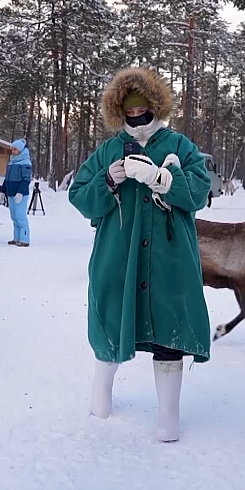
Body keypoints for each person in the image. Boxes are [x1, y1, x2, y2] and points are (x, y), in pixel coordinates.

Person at [68, 66, 212, 442]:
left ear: (154, 105)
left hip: (170, 258)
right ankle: (100, 397)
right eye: (128, 112)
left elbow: (200, 192)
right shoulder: (109, 149)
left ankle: (168, 418)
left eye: (141, 109)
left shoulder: (179, 146)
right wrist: (109, 179)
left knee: (170, 329)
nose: (135, 117)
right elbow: (79, 195)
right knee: (114, 319)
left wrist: (166, 181)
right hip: (117, 256)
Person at [2, 138, 32, 247]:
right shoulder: (11, 162)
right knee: (14, 216)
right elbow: (7, 178)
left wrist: (20, 191)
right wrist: (3, 191)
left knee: (20, 216)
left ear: (20, 150)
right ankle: (16, 237)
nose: (13, 152)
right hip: (11, 193)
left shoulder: (25, 163)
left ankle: (24, 239)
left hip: (20, 194)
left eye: (15, 149)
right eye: (12, 150)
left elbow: (26, 179)